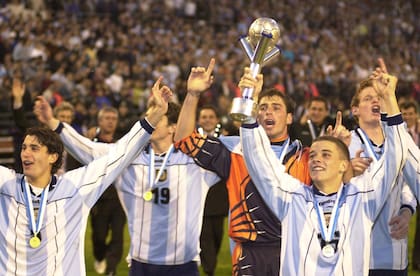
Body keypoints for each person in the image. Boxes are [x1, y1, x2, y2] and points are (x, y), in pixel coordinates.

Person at [38, 75, 220, 276]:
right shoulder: (128, 159)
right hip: (141, 264)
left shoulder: (195, 163)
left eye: (157, 118)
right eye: (149, 118)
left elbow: (235, 153)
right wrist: (53, 122)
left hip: (182, 264)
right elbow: (88, 150)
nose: (150, 123)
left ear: (173, 127)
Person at [240, 68, 409, 275]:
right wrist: (249, 101)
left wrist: (389, 98)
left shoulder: (363, 196)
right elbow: (259, 162)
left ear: (343, 165)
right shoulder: (293, 198)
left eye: (326, 154)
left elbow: (395, 156)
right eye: (313, 156)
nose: (317, 159)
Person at [0, 83, 172, 275]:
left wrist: (157, 113)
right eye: (24, 148)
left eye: (34, 148)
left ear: (53, 157)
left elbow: (120, 154)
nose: (26, 154)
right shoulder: (6, 184)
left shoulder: (75, 187)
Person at [174, 59, 312, 276]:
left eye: (276, 108)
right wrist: (192, 95)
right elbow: (184, 140)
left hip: (296, 249)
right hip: (249, 253)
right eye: (263, 108)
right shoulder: (236, 150)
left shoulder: (307, 157)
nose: (268, 113)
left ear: (289, 118)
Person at [349, 59, 417, 275]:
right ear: (355, 110)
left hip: (394, 253)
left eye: (378, 98)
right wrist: (345, 170)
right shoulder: (345, 143)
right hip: (356, 255)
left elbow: (409, 183)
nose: (375, 102)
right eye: (368, 99)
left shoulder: (400, 141)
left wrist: (407, 211)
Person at [87, 106, 126, 276]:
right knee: (99, 236)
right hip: (98, 198)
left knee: (118, 235)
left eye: (113, 118)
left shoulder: (123, 142)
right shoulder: (90, 143)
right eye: (107, 118)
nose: (110, 121)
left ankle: (111, 268)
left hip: (119, 197)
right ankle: (100, 256)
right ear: (99, 121)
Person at [196, 105, 229, 276]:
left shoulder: (224, 140)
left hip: (219, 197)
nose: (207, 119)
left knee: (217, 236)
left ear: (216, 120)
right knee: (205, 236)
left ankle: (209, 263)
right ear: (199, 120)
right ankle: (209, 270)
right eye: (204, 117)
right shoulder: (192, 140)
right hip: (199, 197)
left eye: (211, 116)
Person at [399, 101, 420, 271]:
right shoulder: (396, 134)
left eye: (410, 113)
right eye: (404, 113)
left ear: (416, 115)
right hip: (404, 182)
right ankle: (415, 260)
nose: (407, 117)